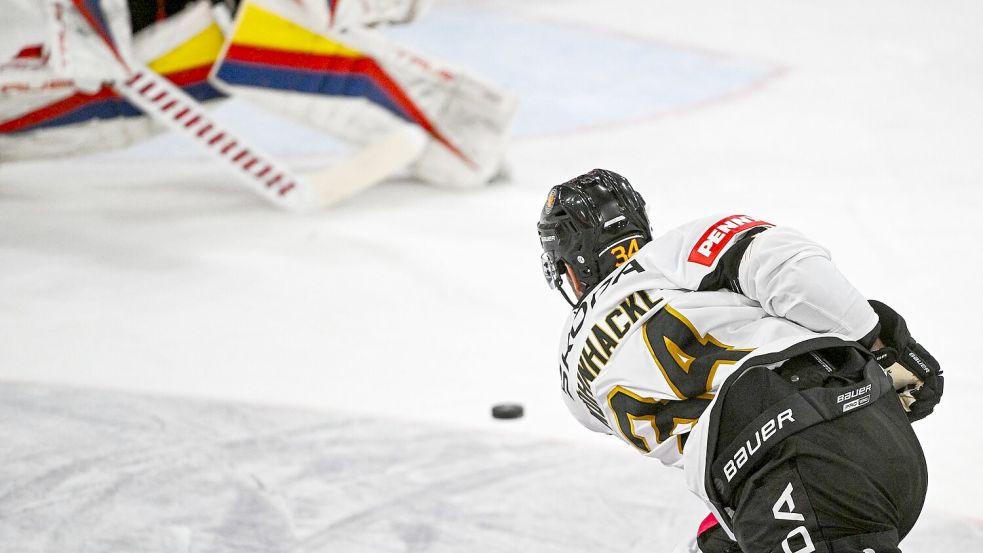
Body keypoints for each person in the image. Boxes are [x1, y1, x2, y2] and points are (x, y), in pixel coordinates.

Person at [536, 169, 943, 553]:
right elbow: (786, 264)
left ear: (572, 266)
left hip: (787, 470)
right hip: (850, 436)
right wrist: (874, 340)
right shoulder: (669, 254)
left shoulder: (573, 380)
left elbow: (701, 426)